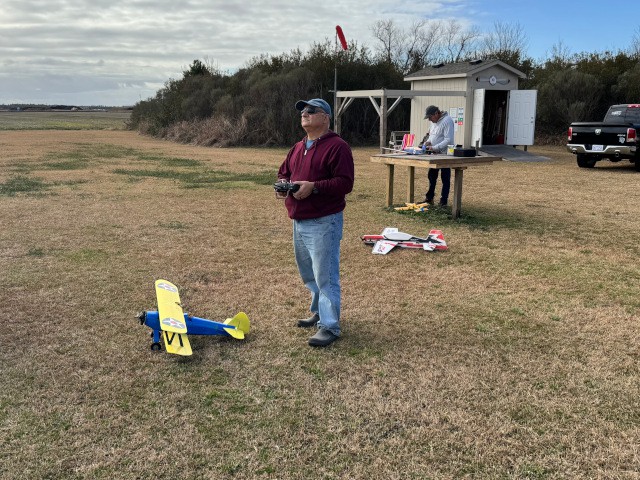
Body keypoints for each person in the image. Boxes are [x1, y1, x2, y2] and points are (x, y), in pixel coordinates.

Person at [276, 98, 354, 347]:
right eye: (302, 111)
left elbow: (345, 183)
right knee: (309, 273)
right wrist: (282, 185)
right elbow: (284, 171)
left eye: (311, 111)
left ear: (325, 118)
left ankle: (330, 326)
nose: (305, 114)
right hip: (299, 219)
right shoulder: (298, 147)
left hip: (324, 220)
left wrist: (314, 187)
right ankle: (319, 311)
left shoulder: (338, 147)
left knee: (326, 275)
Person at [421, 105, 455, 206]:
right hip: (434, 154)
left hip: (445, 154)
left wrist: (435, 147)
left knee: (445, 178)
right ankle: (429, 198)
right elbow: (431, 136)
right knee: (431, 176)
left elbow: (448, 139)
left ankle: (443, 201)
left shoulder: (447, 121)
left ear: (436, 113)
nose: (429, 120)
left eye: (430, 117)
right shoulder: (433, 123)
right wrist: (427, 142)